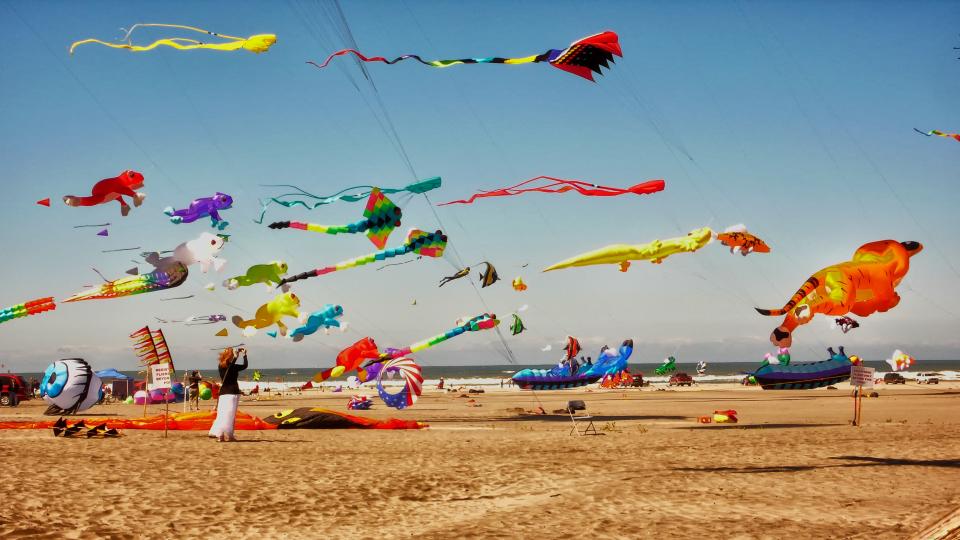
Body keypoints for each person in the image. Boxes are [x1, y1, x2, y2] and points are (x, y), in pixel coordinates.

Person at [209, 347, 247, 442]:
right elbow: (244, 365)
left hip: (223, 393)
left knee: (222, 414)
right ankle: (229, 436)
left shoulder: (220, 365)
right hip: (232, 393)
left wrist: (236, 357)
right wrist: (243, 355)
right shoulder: (229, 366)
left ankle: (221, 436)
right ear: (230, 356)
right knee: (230, 415)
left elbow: (233, 366)